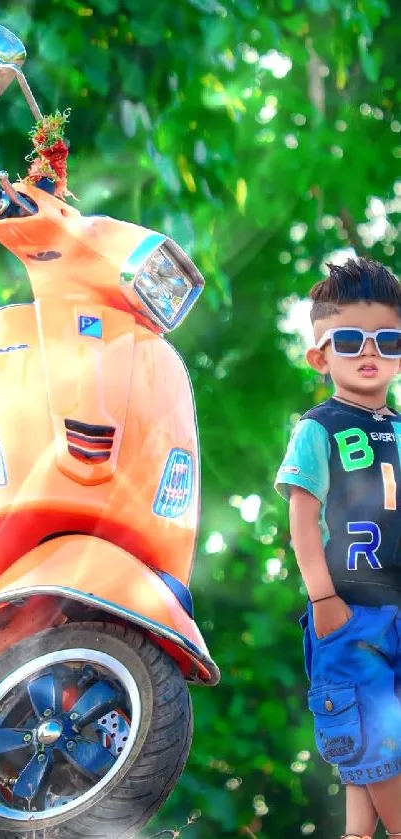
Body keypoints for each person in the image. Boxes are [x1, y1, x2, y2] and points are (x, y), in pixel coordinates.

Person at [275, 256, 401, 839]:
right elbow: (303, 514)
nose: (369, 351)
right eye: (349, 339)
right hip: (347, 607)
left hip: (398, 606)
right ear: (320, 356)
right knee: (369, 729)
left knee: (379, 745)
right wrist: (322, 596)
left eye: (387, 339)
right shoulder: (318, 427)